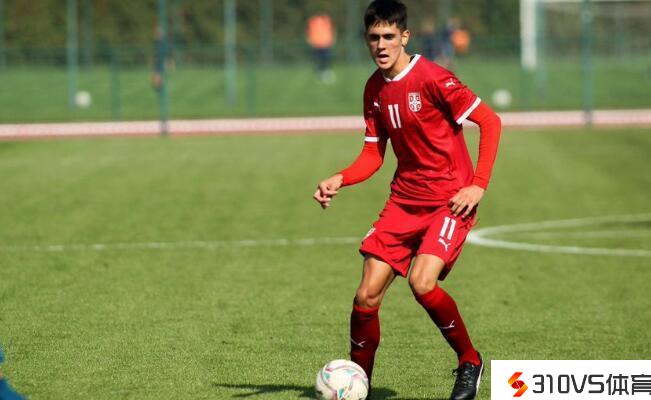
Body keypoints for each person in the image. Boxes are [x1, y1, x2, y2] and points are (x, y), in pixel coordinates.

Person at [312, 1, 501, 399]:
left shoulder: (434, 78)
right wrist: (340, 178)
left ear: (404, 37)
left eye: (388, 36)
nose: (381, 45)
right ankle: (359, 385)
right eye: (373, 38)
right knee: (366, 294)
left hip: (451, 200)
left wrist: (478, 185)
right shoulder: (374, 89)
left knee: (422, 282)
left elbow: (490, 120)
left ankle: (469, 361)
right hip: (404, 201)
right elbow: (373, 155)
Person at [306, 13, 336, 83]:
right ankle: (321, 71)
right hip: (317, 43)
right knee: (320, 59)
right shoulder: (313, 21)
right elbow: (309, 31)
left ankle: (325, 71)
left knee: (325, 59)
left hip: (325, 42)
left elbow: (332, 30)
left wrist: (332, 39)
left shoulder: (326, 20)